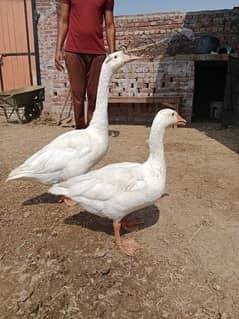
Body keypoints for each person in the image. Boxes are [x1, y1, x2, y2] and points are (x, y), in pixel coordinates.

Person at [55, 0, 116, 129]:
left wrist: (112, 54)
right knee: (78, 97)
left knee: (94, 97)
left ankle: (91, 131)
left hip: (97, 53)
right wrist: (58, 48)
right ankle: (80, 131)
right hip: (74, 51)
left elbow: (109, 25)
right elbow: (63, 21)